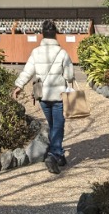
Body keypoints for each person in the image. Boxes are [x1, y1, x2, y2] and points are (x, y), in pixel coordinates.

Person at [12, 19, 73, 174]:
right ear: (55, 35)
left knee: (53, 125)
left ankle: (58, 154)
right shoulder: (63, 53)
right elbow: (70, 75)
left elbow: (27, 71)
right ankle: (54, 155)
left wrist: (19, 86)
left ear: (42, 35)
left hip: (42, 95)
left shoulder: (36, 52)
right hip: (58, 95)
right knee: (58, 126)